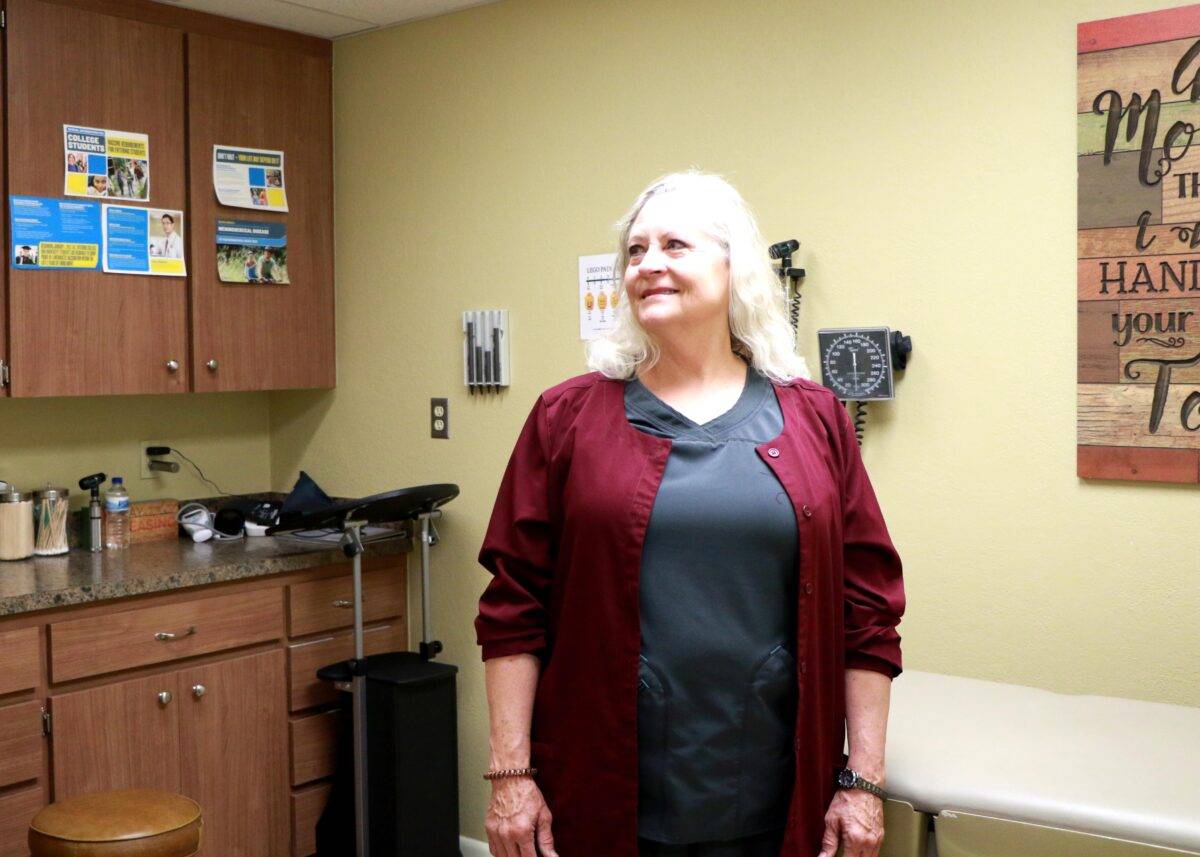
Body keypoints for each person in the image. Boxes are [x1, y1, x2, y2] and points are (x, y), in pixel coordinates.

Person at [476, 171, 905, 857]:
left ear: (735, 267)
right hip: (606, 791)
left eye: (674, 245)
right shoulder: (568, 419)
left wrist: (864, 781)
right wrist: (510, 773)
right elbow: (512, 605)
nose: (648, 264)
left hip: (775, 794)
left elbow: (868, 613)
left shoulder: (815, 420)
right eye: (636, 251)